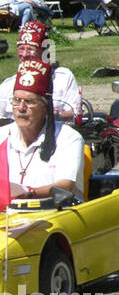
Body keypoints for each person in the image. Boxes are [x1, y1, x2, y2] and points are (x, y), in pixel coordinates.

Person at [4, 58, 85, 201]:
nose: (21, 108)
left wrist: (24, 195)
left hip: (56, 210)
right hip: (7, 210)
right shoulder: (3, 136)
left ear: (44, 107)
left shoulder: (68, 138)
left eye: (29, 102)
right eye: (16, 100)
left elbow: (65, 186)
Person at [0, 22, 83, 122]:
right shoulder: (8, 85)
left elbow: (76, 112)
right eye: (21, 49)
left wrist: (56, 115)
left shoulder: (62, 78)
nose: (24, 54)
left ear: (44, 52)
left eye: (30, 49)